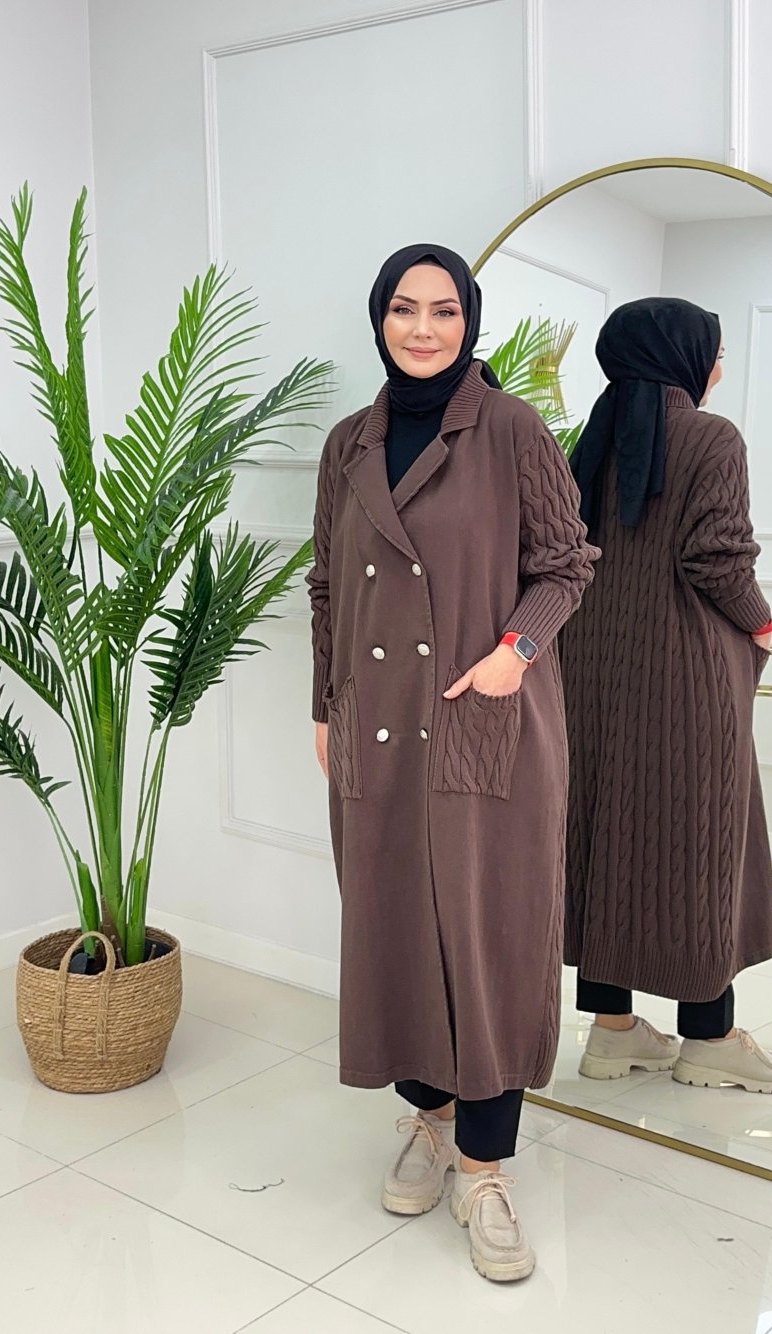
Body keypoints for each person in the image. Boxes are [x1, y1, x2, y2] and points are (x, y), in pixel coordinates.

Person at [306, 244, 598, 1282]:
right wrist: (324, 705)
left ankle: (484, 1167)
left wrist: (514, 653)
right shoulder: (348, 442)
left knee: (490, 938)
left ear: (469, 322)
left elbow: (567, 564)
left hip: (487, 720)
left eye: (442, 310)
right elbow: (327, 587)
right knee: (393, 927)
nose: (422, 329)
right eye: (403, 309)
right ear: (378, 319)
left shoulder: (512, 429)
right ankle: (428, 1120)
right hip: (375, 724)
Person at [561, 297, 772, 1095]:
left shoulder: (589, 442)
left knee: (602, 831)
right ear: (683, 355)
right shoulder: (712, 438)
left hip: (588, 672)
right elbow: (717, 559)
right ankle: (709, 1036)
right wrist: (762, 622)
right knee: (702, 844)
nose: (720, 369)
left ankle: (614, 1032)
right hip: (684, 679)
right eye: (718, 352)